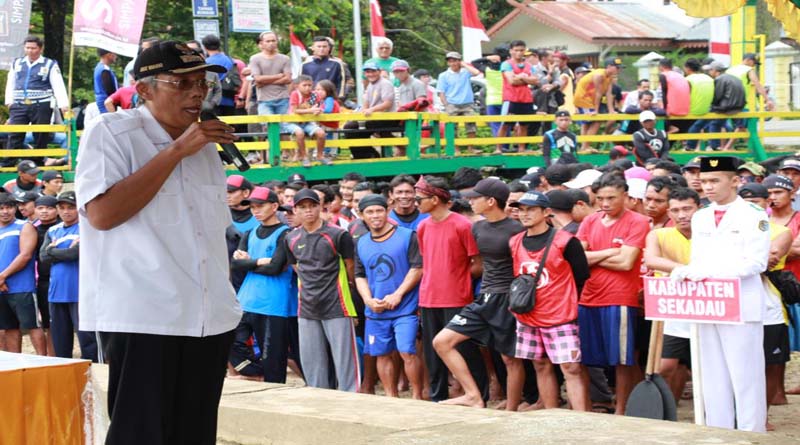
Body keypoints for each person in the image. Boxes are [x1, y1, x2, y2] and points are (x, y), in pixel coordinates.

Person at [75, 41, 241, 443]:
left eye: (202, 83)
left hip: (208, 316)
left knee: (195, 435)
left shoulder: (204, 147)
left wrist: (190, 145)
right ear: (144, 89)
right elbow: (102, 214)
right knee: (141, 434)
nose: (197, 93)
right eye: (182, 83)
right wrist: (177, 150)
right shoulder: (111, 132)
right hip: (144, 316)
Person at [670, 156, 769, 432]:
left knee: (745, 374)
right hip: (709, 302)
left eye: (715, 180)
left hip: (740, 302)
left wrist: (709, 273)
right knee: (711, 373)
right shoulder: (701, 216)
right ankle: (718, 430)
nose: (708, 187)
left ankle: (751, 432)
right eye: (704, 181)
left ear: (735, 181)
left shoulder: (753, 214)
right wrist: (686, 271)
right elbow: (699, 258)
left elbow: (756, 262)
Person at [433, 179, 525, 410]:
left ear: (491, 201)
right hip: (483, 298)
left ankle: (512, 408)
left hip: (507, 298)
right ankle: (473, 395)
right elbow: (477, 262)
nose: (470, 201)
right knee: (442, 342)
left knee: (509, 358)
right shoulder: (477, 228)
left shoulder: (516, 230)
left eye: (475, 197)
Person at [509, 190, 591, 411]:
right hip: (528, 313)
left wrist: (565, 299)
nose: (524, 214)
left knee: (571, 367)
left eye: (531, 209)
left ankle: (581, 417)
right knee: (540, 364)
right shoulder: (515, 242)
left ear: (546, 212)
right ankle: (550, 413)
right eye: (521, 209)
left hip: (560, 314)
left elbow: (581, 275)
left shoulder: (566, 241)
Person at [577, 172, 650, 415]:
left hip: (620, 297)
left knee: (622, 358)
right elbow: (577, 258)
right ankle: (587, 407)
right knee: (584, 357)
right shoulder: (590, 221)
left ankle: (621, 410)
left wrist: (592, 257)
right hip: (588, 297)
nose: (605, 203)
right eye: (600, 198)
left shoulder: (638, 221)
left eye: (611, 198)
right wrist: (610, 251)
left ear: (625, 196)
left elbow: (627, 263)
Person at [415, 175, 488, 402]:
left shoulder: (462, 225)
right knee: (431, 353)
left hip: (457, 297)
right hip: (429, 297)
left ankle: (479, 395)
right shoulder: (423, 226)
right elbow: (427, 260)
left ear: (435, 199)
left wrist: (457, 278)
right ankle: (438, 397)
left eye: (419, 199)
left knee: (465, 350)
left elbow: (478, 263)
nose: (415, 203)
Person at [286, 188, 360, 392]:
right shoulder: (291, 238)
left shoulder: (338, 234)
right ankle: (318, 400)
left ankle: (352, 400)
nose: (308, 210)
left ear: (320, 207)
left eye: (312, 206)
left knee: (345, 362)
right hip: (307, 307)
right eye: (302, 207)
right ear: (295, 210)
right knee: (312, 363)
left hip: (337, 304)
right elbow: (297, 267)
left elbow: (350, 267)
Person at [354, 194, 424, 399]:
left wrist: (398, 294)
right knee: (381, 354)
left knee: (407, 351)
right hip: (376, 310)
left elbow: (418, 268)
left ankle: (417, 396)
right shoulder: (361, 242)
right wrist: (368, 300)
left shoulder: (407, 236)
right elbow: (359, 275)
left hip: (405, 308)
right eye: (370, 212)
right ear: (361, 215)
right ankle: (390, 397)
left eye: (379, 210)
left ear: (388, 211)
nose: (375, 215)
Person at [230, 186, 301, 383]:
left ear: (275, 206)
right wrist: (260, 261)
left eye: (260, 206)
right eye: (252, 207)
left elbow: (275, 268)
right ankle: (257, 372)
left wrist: (249, 262)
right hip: (246, 300)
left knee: (273, 357)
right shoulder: (250, 233)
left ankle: (272, 384)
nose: (255, 210)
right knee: (231, 342)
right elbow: (235, 264)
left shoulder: (285, 233)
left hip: (274, 304)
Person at [643, 187, 700, 403]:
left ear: (699, 209)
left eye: (687, 209)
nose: (682, 215)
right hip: (673, 308)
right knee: (666, 365)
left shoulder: (711, 235)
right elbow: (652, 260)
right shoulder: (659, 235)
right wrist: (686, 270)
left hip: (706, 307)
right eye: (675, 210)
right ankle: (665, 409)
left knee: (702, 365)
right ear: (669, 212)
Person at [38, 191, 97, 361]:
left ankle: (94, 373)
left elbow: (74, 254)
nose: (66, 211)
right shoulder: (53, 230)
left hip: (80, 292)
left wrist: (52, 250)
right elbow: (43, 257)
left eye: (71, 207)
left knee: (88, 342)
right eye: (62, 207)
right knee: (60, 344)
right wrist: (58, 252)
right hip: (56, 293)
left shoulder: (87, 227)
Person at [4, 35, 69, 160]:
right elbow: (10, 82)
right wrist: (9, 101)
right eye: (27, 48)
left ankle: (39, 162)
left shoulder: (49, 64)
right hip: (19, 103)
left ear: (40, 49)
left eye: (33, 48)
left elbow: (58, 85)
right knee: (15, 133)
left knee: (41, 134)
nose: (30, 51)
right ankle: (8, 162)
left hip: (42, 104)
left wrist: (63, 105)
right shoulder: (17, 63)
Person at [0, 191, 44, 355]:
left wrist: (2, 276)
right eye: (1, 208)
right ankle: (16, 363)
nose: (5, 211)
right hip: (2, 287)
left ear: (15, 208)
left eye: (9, 207)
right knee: (9, 328)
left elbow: (25, 255)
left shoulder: (24, 226)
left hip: (22, 287)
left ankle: (42, 361)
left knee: (32, 326)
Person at [343, 61, 396, 159]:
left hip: (386, 118)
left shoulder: (385, 84)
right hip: (373, 118)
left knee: (351, 127)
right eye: (368, 72)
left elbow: (387, 104)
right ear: (365, 73)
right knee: (351, 127)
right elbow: (365, 105)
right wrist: (357, 114)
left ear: (379, 71)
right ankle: (367, 155)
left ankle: (368, 155)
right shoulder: (370, 85)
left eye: (373, 71)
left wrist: (371, 110)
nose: (370, 74)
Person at [496, 40, 536, 154]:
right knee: (505, 124)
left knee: (524, 125)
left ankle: (521, 148)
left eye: (521, 50)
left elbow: (535, 80)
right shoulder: (506, 64)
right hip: (511, 98)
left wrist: (520, 77)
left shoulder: (529, 65)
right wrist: (525, 78)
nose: (519, 53)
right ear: (511, 51)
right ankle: (498, 148)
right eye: (516, 50)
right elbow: (511, 81)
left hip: (526, 98)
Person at [573, 58, 622, 151]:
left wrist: (611, 110)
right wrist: (596, 110)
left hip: (590, 99)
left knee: (588, 123)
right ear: (609, 67)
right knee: (596, 120)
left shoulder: (609, 77)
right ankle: (585, 146)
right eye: (617, 67)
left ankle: (584, 146)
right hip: (583, 98)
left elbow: (609, 94)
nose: (619, 70)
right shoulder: (599, 75)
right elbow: (598, 93)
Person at [437, 52, 481, 153]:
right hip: (452, 103)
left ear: (459, 61)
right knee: (452, 127)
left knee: (471, 125)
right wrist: (446, 105)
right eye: (450, 61)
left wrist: (464, 64)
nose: (453, 63)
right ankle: (455, 149)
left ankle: (471, 148)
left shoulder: (465, 72)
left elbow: (476, 72)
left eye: (455, 61)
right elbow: (441, 92)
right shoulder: (443, 75)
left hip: (467, 103)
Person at [249, 31, 292, 135]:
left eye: (273, 41)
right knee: (269, 126)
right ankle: (272, 147)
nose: (271, 43)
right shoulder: (255, 59)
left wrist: (264, 82)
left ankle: (285, 147)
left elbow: (288, 79)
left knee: (284, 129)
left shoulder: (285, 58)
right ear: (261, 43)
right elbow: (258, 79)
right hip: (264, 99)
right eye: (268, 41)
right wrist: (278, 76)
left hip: (282, 98)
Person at [287, 75, 329, 166]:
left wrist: (318, 111)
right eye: (304, 85)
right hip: (293, 122)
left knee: (321, 133)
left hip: (307, 122)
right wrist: (310, 110)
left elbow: (320, 106)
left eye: (309, 85)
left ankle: (320, 156)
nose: (307, 88)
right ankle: (304, 157)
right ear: (297, 86)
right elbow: (294, 110)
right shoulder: (295, 94)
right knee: (299, 133)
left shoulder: (314, 95)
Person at [704, 61, 746, 151]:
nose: (709, 72)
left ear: (715, 70)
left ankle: (714, 146)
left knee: (713, 123)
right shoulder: (735, 78)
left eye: (710, 70)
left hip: (726, 107)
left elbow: (717, 96)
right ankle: (728, 146)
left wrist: (711, 105)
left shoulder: (719, 79)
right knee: (738, 126)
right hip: (739, 107)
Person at [202, 34, 241, 117]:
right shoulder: (229, 60)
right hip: (229, 99)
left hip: (212, 101)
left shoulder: (206, 62)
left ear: (204, 47)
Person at [683, 58, 714, 151]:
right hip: (707, 111)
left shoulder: (687, 80)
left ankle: (689, 147)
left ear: (687, 68)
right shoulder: (709, 78)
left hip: (692, 111)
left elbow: (684, 96)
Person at [93, 49, 118, 114]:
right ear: (108, 55)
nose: (116, 56)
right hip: (107, 103)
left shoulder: (99, 67)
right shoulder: (104, 69)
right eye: (114, 54)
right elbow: (110, 90)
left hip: (103, 102)